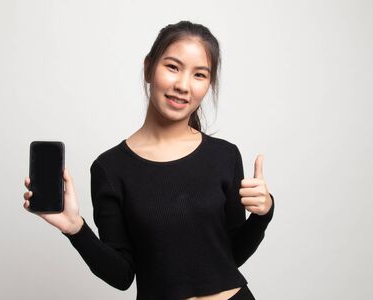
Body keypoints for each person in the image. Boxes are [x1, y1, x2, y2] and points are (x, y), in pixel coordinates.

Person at [23, 20, 275, 300]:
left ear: (208, 85)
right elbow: (121, 276)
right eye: (172, 67)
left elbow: (232, 256)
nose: (183, 85)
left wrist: (263, 214)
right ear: (148, 68)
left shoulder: (224, 156)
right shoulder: (110, 168)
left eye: (199, 75)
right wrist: (75, 229)